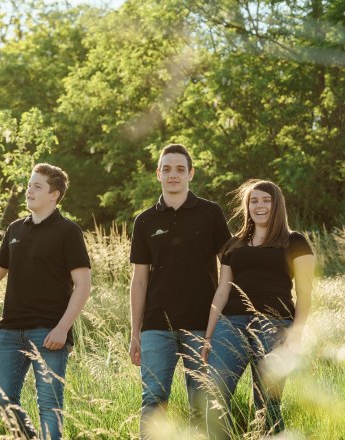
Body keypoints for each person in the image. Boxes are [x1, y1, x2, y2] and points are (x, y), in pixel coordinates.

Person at [0, 163, 92, 440]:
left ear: (54, 194)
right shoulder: (15, 229)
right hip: (10, 331)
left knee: (49, 407)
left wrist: (62, 329)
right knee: (3, 400)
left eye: (37, 186)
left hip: (49, 333)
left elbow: (83, 285)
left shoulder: (68, 232)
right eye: (28, 185)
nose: (29, 190)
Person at [128, 144, 231, 438]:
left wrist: (219, 323)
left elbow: (230, 266)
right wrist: (136, 332)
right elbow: (139, 281)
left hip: (202, 326)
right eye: (167, 169)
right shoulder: (144, 220)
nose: (174, 175)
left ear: (191, 174)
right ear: (158, 173)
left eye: (180, 169)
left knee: (202, 404)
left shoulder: (211, 213)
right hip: (156, 327)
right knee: (153, 402)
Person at [201, 180, 314, 439]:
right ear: (247, 206)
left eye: (266, 200)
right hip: (231, 325)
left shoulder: (295, 241)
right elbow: (222, 290)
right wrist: (208, 336)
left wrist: (296, 334)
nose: (259, 206)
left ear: (277, 205)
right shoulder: (233, 245)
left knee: (268, 404)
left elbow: (305, 293)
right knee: (215, 395)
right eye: (254, 201)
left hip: (275, 326)